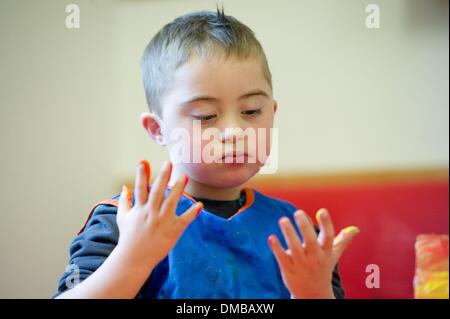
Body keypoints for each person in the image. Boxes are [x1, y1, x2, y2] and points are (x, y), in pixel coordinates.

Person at [54, 7, 359, 299]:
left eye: (252, 111)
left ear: (273, 113)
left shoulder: (298, 234)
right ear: (158, 129)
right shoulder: (124, 220)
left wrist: (313, 292)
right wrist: (131, 259)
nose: (234, 132)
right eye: (206, 115)